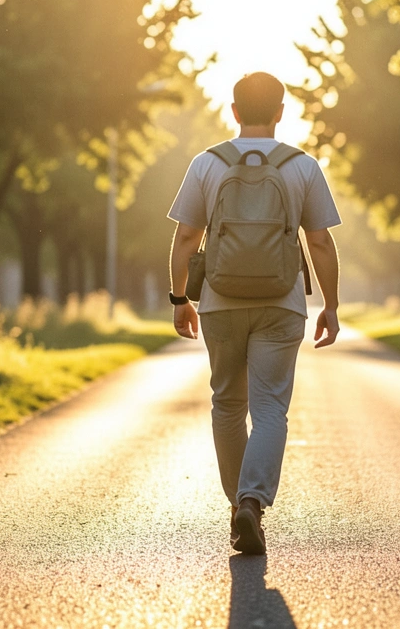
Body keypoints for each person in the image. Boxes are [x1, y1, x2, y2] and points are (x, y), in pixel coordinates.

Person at [166, 71, 342, 555]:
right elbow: (321, 241)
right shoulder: (302, 166)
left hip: (220, 304)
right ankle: (252, 501)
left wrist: (180, 300)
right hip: (281, 305)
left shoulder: (207, 164)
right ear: (281, 112)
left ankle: (237, 506)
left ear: (235, 111)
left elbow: (185, 238)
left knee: (227, 405)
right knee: (269, 410)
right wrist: (330, 304)